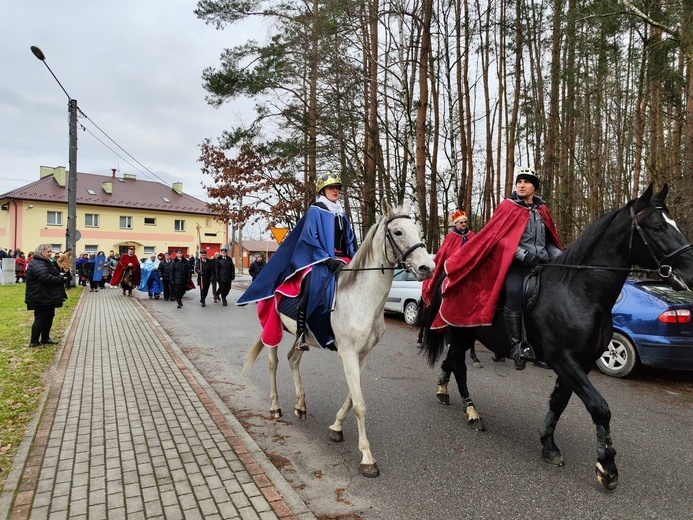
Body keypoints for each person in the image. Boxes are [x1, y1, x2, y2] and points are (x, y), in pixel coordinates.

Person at [435, 167, 563, 370]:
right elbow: (501, 240)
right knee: (514, 292)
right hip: (516, 265)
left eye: (526, 182)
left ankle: (546, 347)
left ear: (535, 187)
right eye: (519, 181)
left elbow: (550, 242)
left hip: (543, 264)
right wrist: (524, 255)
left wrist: (561, 258)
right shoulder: (508, 207)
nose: (521, 185)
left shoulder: (542, 211)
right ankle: (516, 346)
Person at [237, 171, 357, 351]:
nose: (335, 191)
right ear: (322, 191)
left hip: (343, 259)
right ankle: (301, 333)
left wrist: (356, 258)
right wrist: (327, 259)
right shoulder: (315, 211)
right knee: (311, 286)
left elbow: (349, 239)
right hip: (320, 260)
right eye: (331, 187)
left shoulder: (342, 214)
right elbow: (310, 238)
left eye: (337, 188)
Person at [421, 210, 475, 307]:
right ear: (456, 223)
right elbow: (442, 253)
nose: (463, 224)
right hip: (453, 267)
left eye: (465, 222)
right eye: (461, 222)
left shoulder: (471, 235)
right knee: (440, 283)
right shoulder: (451, 236)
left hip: (470, 267)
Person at [24, 244, 67, 347]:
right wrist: (60, 279)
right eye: (48, 251)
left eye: (50, 251)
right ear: (41, 252)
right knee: (40, 318)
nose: (50, 253)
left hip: (47, 296)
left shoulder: (44, 262)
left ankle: (45, 338)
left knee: (49, 317)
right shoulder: (38, 263)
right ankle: (34, 341)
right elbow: (45, 278)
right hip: (40, 296)